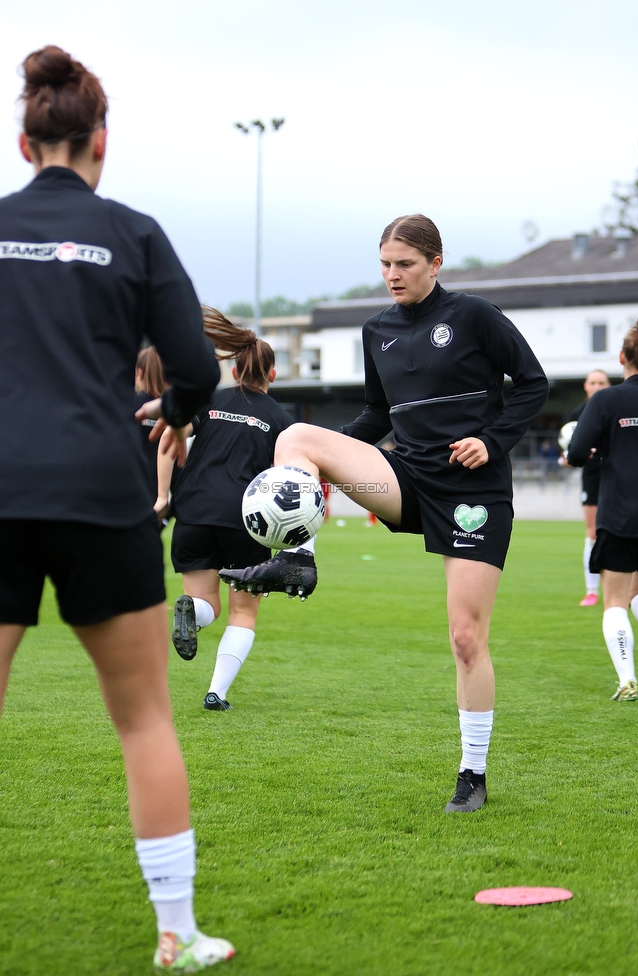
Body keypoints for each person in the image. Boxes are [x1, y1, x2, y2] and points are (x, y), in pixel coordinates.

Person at [0, 46, 235, 972]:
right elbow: (199, 367)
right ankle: (174, 934)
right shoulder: (134, 233)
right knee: (143, 719)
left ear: (25, 142)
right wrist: (172, 411)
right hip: (103, 488)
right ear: (102, 140)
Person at [221, 214, 549, 813]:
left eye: (404, 264)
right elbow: (375, 418)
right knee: (296, 437)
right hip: (404, 478)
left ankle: (472, 775)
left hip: (472, 491)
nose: (392, 275)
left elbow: (532, 382)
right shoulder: (378, 330)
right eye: (385, 264)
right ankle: (298, 559)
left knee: (466, 637)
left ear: (435, 264)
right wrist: (328, 458)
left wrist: (492, 441)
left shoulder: (473, 315)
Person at [157, 307, 294, 710]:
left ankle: (192, 611)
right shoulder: (281, 420)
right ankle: (216, 693)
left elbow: (168, 436)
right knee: (243, 612)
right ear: (272, 374)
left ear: (233, 372)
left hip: (194, 512)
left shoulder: (208, 402)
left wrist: (163, 496)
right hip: (246, 522)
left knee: (207, 605)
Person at [568, 319, 638, 702]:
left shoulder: (606, 400)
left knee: (615, 600)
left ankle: (626, 680)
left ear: (622, 358)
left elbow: (577, 454)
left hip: (620, 513)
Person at [568, 370, 611, 606]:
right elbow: (569, 450)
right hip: (592, 477)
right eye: (593, 382)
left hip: (616, 476)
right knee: (592, 532)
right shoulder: (577, 414)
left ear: (608, 385)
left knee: (619, 532)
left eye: (601, 382)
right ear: (585, 386)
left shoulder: (615, 407)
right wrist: (566, 458)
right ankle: (592, 591)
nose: (597, 386)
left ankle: (627, 590)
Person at [135, 345, 169, 506]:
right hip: (159, 495)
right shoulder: (171, 410)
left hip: (131, 489)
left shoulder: (130, 406)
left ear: (139, 372)